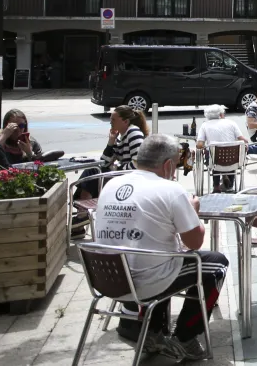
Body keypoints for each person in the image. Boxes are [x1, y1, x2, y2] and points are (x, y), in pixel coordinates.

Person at [96, 134, 228, 360]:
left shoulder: (112, 184)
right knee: (215, 263)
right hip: (145, 282)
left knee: (165, 255)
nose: (175, 171)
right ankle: (185, 337)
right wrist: (192, 212)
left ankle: (154, 332)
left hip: (107, 278)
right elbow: (194, 243)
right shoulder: (170, 190)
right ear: (167, 165)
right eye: (176, 165)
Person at [76, 105, 149, 200]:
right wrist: (111, 141)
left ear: (125, 121)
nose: (110, 122)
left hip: (131, 176)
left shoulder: (134, 133)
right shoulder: (120, 137)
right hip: (124, 174)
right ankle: (83, 208)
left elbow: (139, 163)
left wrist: (117, 168)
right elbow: (104, 163)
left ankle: (82, 209)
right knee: (93, 171)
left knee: (92, 172)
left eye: (113, 120)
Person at [0, 109, 64, 169]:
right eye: (14, 126)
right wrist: (4, 136)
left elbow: (39, 166)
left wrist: (29, 153)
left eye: (21, 126)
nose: (18, 130)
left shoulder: (31, 142)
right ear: (6, 126)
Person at [195, 104, 248, 193]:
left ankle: (216, 186)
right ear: (221, 115)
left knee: (212, 155)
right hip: (233, 161)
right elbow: (243, 140)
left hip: (215, 162)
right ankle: (229, 185)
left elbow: (199, 144)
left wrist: (206, 147)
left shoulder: (205, 125)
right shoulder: (231, 123)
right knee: (230, 154)